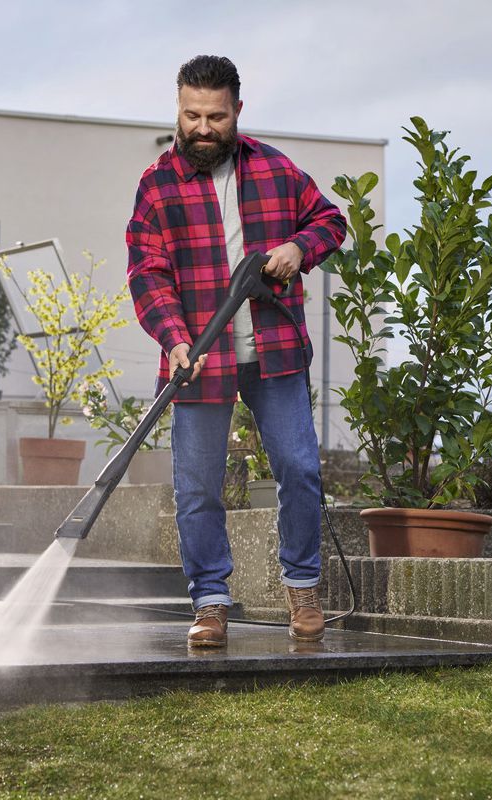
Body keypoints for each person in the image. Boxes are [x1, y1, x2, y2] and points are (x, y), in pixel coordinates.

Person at [126, 55, 346, 647]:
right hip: (198, 355)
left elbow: (330, 220)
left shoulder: (276, 169)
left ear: (237, 112)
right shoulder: (158, 185)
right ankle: (211, 602)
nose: (201, 128)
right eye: (191, 114)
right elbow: (147, 274)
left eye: (215, 116)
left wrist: (301, 248)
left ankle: (301, 585)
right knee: (197, 487)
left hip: (275, 351)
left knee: (299, 470)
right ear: (178, 109)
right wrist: (174, 339)